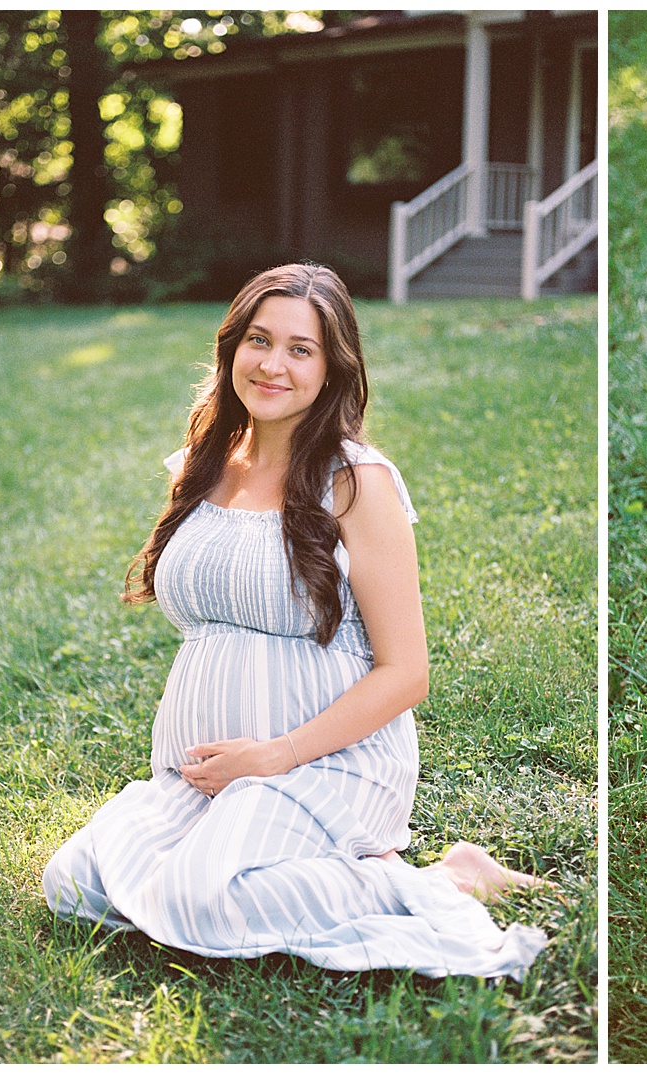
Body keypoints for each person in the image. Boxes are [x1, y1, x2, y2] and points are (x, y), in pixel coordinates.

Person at [43, 263, 548, 978]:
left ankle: (441, 880)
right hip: (208, 773)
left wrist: (275, 755)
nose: (273, 365)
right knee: (73, 883)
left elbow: (407, 674)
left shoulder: (356, 483)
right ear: (232, 349)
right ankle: (296, 865)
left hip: (327, 763)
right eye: (259, 340)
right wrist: (236, 763)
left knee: (198, 901)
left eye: (300, 349)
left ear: (333, 369)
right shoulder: (203, 464)